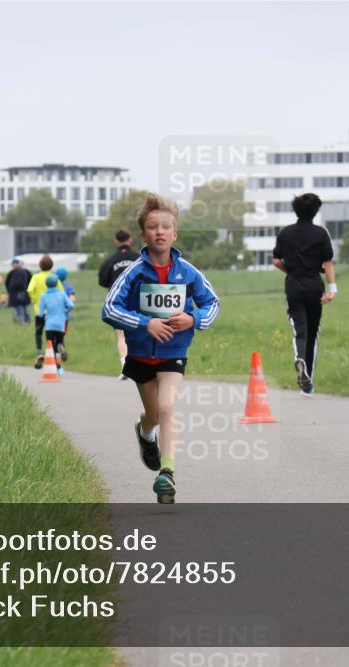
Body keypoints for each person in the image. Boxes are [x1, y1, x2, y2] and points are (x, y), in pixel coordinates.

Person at [102, 194, 220, 504]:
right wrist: (146, 324)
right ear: (143, 235)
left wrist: (193, 319)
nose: (160, 232)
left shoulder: (188, 272)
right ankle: (144, 431)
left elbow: (212, 303)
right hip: (141, 355)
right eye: (153, 227)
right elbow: (109, 309)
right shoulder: (133, 273)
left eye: (166, 227)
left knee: (167, 408)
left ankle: (167, 474)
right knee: (153, 414)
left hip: (173, 353)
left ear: (175, 234)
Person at [272, 192, 337, 397]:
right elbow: (327, 263)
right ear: (316, 211)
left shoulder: (285, 233)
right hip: (314, 286)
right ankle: (308, 385)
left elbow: (276, 260)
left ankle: (299, 359)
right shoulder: (321, 233)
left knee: (300, 330)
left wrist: (290, 271)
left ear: (296, 210)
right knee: (312, 333)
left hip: (294, 286)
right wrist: (332, 289)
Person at [98, 229, 140, 378]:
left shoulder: (110, 260)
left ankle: (125, 366)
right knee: (139, 332)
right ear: (130, 240)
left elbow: (102, 281)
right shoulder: (139, 258)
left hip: (118, 301)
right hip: (138, 300)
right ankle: (140, 366)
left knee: (121, 336)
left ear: (116, 241)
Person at [40, 274, 74, 374]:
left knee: (51, 347)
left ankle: (56, 367)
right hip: (60, 323)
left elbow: (40, 313)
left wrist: (44, 315)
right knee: (59, 343)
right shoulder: (62, 294)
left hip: (49, 324)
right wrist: (65, 311)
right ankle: (60, 363)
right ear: (56, 284)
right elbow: (71, 305)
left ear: (46, 284)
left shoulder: (44, 296)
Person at [27, 255, 55, 369]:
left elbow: (29, 289)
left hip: (39, 310)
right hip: (52, 310)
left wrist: (34, 300)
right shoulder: (54, 277)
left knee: (38, 332)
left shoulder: (36, 277)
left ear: (40, 266)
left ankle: (39, 352)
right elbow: (61, 290)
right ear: (51, 266)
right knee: (50, 332)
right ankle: (51, 352)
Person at [55, 267, 76, 361]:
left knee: (53, 338)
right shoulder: (68, 287)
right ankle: (61, 349)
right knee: (61, 336)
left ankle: (56, 358)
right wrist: (66, 309)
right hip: (65, 318)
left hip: (53, 316)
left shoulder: (53, 287)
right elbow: (72, 299)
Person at [5, 257, 33, 325]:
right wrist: (10, 292)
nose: (14, 265)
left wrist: (29, 291)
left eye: (15, 264)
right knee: (18, 310)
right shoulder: (11, 273)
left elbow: (31, 282)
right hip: (15, 295)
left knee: (26, 310)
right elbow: (7, 283)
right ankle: (20, 323)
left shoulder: (26, 272)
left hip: (25, 294)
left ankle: (27, 322)